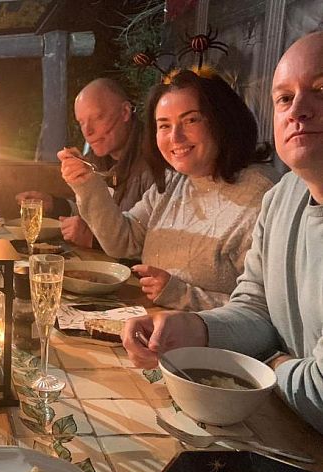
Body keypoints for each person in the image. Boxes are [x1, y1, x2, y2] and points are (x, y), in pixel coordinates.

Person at [122, 31, 323, 432]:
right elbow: (256, 309)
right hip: (285, 419)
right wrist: (193, 328)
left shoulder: (257, 190)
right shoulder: (284, 196)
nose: (298, 109)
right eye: (284, 97)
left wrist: (269, 363)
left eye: (322, 90)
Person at [60, 68, 279, 311]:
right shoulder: (175, 181)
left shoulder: (262, 196)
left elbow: (268, 310)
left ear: (223, 119)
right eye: (164, 125)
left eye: (191, 120)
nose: (176, 137)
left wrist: (180, 294)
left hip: (203, 346)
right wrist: (87, 183)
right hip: (147, 328)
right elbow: (123, 240)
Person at [16, 78, 156, 247]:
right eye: (81, 122)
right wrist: (56, 205)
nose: (88, 131)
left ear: (125, 112)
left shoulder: (155, 162)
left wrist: (94, 239)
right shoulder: (96, 159)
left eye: (97, 117)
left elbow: (157, 243)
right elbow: (97, 209)